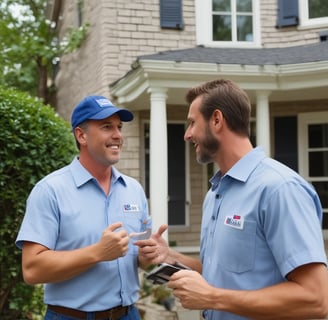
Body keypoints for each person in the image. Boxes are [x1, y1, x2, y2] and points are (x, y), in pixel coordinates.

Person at [136, 79, 328, 320]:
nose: (187, 135)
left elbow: (316, 298)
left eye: (192, 123)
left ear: (216, 120)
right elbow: (225, 276)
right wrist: (171, 257)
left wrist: (212, 297)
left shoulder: (280, 189)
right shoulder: (216, 193)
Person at [16, 95, 151, 320]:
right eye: (107, 127)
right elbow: (32, 270)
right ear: (81, 135)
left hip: (129, 314)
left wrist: (149, 256)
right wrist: (97, 253)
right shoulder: (50, 190)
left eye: (119, 127)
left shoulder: (134, 189)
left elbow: (141, 256)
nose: (118, 135)